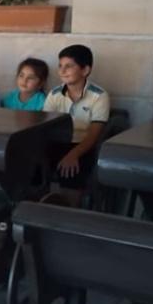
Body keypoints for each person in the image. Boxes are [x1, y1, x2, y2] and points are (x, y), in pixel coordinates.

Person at [43, 45, 110, 205]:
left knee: (72, 172)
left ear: (85, 70)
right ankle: (36, 210)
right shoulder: (54, 94)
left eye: (69, 66)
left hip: (83, 146)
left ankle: (68, 211)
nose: (62, 71)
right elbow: (45, 126)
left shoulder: (99, 96)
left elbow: (93, 135)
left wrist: (73, 154)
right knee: (31, 165)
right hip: (57, 142)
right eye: (60, 65)